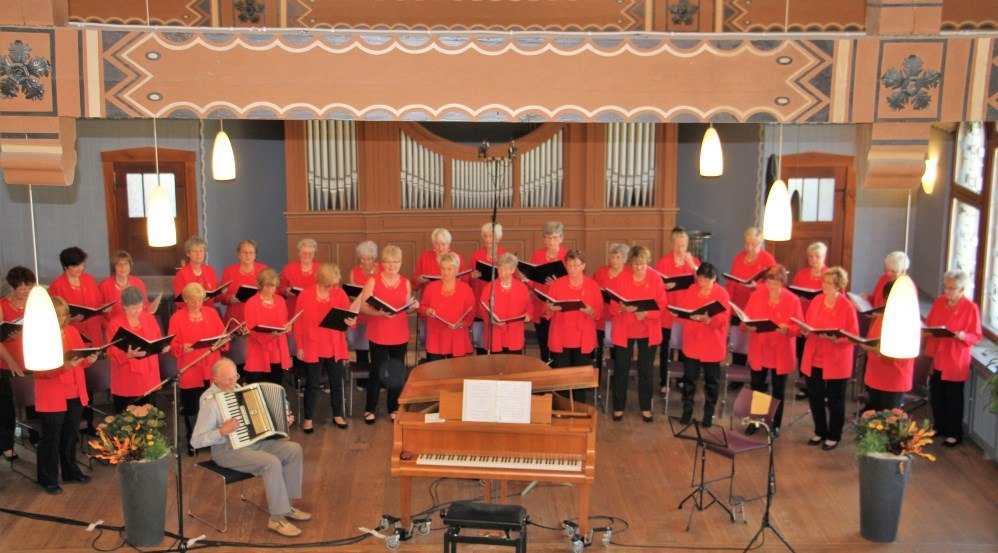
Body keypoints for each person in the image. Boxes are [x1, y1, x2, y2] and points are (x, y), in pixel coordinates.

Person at [191, 358, 311, 537]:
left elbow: (259, 420)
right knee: (271, 463)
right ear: (215, 379)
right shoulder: (210, 402)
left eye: (235, 377)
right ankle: (277, 518)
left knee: (293, 450)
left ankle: (286, 505)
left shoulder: (240, 390)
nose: (234, 382)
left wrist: (282, 421)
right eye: (228, 379)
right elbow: (196, 441)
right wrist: (222, 431)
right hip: (227, 450)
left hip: (255, 442)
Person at [34, 296, 97, 495]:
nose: (61, 319)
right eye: (57, 315)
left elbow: (80, 359)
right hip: (52, 393)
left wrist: (90, 359)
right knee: (51, 438)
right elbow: (38, 371)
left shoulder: (72, 331)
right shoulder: (39, 335)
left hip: (74, 390)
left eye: (64, 315)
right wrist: (63, 367)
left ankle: (70, 471)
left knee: (70, 435)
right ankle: (47, 478)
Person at [799, 267, 858, 451]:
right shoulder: (817, 300)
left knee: (835, 400)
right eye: (823, 282)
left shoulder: (846, 306)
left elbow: (853, 336)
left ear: (839, 286)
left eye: (829, 283)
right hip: (815, 355)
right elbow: (808, 324)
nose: (824, 285)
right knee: (815, 396)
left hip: (836, 359)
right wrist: (805, 330)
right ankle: (820, 430)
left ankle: (834, 435)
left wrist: (837, 339)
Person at [741, 265, 803, 437]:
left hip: (780, 350)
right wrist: (748, 327)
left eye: (775, 284)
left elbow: (799, 327)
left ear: (783, 283)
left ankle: (775, 424)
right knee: (757, 386)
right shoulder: (756, 296)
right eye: (769, 283)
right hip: (760, 347)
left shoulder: (792, 300)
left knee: (778, 389)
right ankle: (755, 421)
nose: (771, 287)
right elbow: (744, 320)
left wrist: (788, 329)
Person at [359, 245, 418, 424]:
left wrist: (412, 308)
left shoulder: (405, 282)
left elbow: (406, 310)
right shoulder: (373, 281)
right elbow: (363, 308)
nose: (393, 265)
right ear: (382, 263)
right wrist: (380, 314)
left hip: (399, 333)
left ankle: (393, 407)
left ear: (401, 263)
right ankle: (370, 408)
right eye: (389, 262)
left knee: (396, 372)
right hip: (378, 333)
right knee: (377, 372)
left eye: (396, 262)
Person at [169, 283, 229, 455]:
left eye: (200, 300)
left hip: (211, 367)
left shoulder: (211, 313)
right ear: (186, 300)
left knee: (213, 406)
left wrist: (223, 341)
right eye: (193, 300)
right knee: (193, 406)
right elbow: (172, 344)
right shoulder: (177, 318)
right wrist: (182, 347)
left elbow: (223, 337)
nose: (197, 303)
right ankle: (193, 440)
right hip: (190, 369)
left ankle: (213, 439)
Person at [924, 270, 982, 447]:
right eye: (945, 287)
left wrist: (963, 336)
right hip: (938, 356)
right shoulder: (940, 302)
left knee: (954, 397)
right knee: (937, 394)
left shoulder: (970, 308)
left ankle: (955, 432)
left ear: (962, 289)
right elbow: (930, 324)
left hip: (955, 359)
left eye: (951, 288)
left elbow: (976, 335)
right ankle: (939, 426)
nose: (947, 292)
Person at [609, 246, 667, 423]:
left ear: (647, 262)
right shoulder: (621, 278)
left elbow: (662, 305)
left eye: (642, 264)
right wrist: (622, 308)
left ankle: (646, 407)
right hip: (624, 329)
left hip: (647, 329)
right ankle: (618, 407)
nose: (639, 268)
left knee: (646, 370)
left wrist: (646, 314)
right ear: (630, 263)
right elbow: (612, 305)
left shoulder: (655, 278)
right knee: (621, 368)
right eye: (635, 264)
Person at [294, 263, 354, 432]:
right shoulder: (305, 295)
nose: (331, 288)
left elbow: (347, 317)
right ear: (319, 280)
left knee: (336, 382)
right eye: (328, 285)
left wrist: (351, 321)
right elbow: (298, 323)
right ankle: (308, 419)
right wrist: (300, 346)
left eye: (333, 285)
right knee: (312, 384)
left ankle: (337, 415)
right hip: (312, 345)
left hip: (334, 344)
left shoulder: (339, 293)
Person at [545, 250, 603, 402]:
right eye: (569, 265)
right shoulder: (557, 284)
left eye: (576, 265)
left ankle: (579, 409)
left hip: (583, 337)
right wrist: (550, 309)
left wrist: (591, 311)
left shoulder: (592, 285)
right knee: (562, 378)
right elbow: (546, 311)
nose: (572, 269)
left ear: (583, 266)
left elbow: (599, 313)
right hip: (561, 335)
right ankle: (563, 409)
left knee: (580, 379)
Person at [677, 263, 731, 427]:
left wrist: (709, 320)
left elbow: (723, 319)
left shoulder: (721, 294)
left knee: (711, 381)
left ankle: (708, 414)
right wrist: (680, 313)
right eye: (700, 279)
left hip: (711, 343)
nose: (702, 283)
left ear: (714, 279)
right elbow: (685, 308)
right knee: (689, 379)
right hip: (693, 341)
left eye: (706, 280)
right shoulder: (692, 289)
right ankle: (687, 410)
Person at [105, 286, 167, 414]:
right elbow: (111, 353)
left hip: (148, 376)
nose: (138, 311)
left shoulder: (150, 318)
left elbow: (156, 340)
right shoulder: (115, 324)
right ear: (124, 306)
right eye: (134, 308)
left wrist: (163, 347)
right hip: (126, 377)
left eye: (140, 306)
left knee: (149, 420)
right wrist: (127, 355)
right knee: (126, 422)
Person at [654, 227, 700, 393]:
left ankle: (682, 378)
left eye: (684, 245)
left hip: (686, 314)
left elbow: (702, 283)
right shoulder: (663, 262)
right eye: (677, 245)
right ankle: (664, 381)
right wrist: (664, 286)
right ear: (672, 244)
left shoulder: (693, 262)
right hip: (668, 312)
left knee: (684, 349)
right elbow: (655, 286)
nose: (681, 249)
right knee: (666, 348)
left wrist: (693, 266)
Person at [858, 280, 914, 412]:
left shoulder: (908, 318)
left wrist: (880, 350)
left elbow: (906, 350)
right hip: (876, 373)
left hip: (894, 376)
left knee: (889, 419)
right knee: (877, 419)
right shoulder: (882, 315)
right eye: (887, 298)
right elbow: (872, 338)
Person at [726, 227, 776, 368]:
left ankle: (757, 375)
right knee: (739, 343)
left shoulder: (768, 260)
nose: (749, 247)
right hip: (739, 307)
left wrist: (757, 287)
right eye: (747, 244)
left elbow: (774, 286)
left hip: (758, 308)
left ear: (761, 244)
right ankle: (737, 376)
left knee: (757, 344)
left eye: (754, 245)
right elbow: (731, 283)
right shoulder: (739, 257)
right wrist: (728, 305)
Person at [420, 253, 476, 361]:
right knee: (435, 373)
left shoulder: (466, 289)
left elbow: (471, 311)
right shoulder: (431, 288)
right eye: (443, 269)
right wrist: (427, 311)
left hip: (457, 335)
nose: (445, 272)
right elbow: (422, 307)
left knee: (457, 374)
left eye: (449, 269)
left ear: (456, 270)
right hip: (436, 337)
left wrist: (463, 323)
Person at [1, 266, 33, 459]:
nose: (26, 291)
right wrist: (11, 362)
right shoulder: (2, 306)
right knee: (6, 407)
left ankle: (36, 438)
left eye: (28, 286)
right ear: (12, 288)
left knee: (35, 403)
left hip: (31, 361)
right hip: (6, 363)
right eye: (22, 287)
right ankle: (6, 444)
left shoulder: (33, 304)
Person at [526, 221, 568, 364]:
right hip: (540, 305)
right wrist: (526, 280)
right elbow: (534, 283)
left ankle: (558, 376)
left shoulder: (567, 256)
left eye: (555, 237)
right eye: (548, 237)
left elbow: (573, 283)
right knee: (544, 345)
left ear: (561, 238)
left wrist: (557, 284)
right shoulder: (538, 256)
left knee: (559, 345)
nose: (551, 241)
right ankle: (546, 375)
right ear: (544, 239)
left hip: (559, 308)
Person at [244, 269, 293, 385]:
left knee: (275, 387)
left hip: (277, 349)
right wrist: (270, 336)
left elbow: (284, 321)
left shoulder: (280, 300)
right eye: (267, 287)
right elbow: (251, 330)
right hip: (259, 351)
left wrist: (287, 327)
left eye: (273, 287)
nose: (270, 290)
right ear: (260, 285)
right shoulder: (252, 303)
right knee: (258, 390)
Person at [48, 246, 106, 345]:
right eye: (75, 266)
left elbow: (98, 302)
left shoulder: (89, 279)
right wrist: (71, 320)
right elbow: (52, 317)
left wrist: (104, 307)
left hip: (94, 330)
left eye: (82, 265)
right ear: (65, 266)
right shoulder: (56, 286)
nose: (81, 268)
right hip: (73, 333)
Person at [479, 253, 532, 354]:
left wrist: (528, 315)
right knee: (497, 366)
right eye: (500, 269)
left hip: (515, 333)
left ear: (513, 270)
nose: (502, 272)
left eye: (506, 269)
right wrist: (491, 320)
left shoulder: (522, 287)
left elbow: (529, 307)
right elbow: (482, 309)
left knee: (514, 366)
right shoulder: (490, 287)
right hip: (496, 332)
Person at [469, 223, 508, 353]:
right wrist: (472, 276)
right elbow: (467, 281)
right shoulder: (475, 255)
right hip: (480, 304)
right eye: (485, 236)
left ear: (499, 237)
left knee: (500, 346)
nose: (488, 239)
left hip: (500, 305)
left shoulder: (505, 256)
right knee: (480, 345)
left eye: (491, 236)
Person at [98, 251, 160, 331]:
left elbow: (145, 305)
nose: (123, 267)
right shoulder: (104, 286)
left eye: (126, 264)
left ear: (130, 266)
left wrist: (150, 309)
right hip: (115, 328)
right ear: (114, 267)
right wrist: (108, 325)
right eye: (119, 264)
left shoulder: (138, 283)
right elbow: (97, 311)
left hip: (137, 327)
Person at [593, 243, 629, 373]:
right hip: (602, 317)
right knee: (597, 352)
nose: (614, 261)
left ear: (625, 259)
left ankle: (616, 379)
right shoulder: (600, 272)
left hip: (619, 319)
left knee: (618, 353)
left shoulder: (629, 274)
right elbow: (593, 292)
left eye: (618, 258)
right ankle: (596, 380)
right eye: (612, 257)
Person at [347, 240, 380, 369]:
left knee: (377, 349)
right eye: (362, 259)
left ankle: (379, 379)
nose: (365, 262)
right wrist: (362, 297)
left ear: (374, 258)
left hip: (377, 314)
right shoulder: (354, 271)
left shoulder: (382, 269)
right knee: (361, 350)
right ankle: (362, 381)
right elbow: (351, 295)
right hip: (361, 314)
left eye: (369, 259)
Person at [220, 239, 268, 326]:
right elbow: (221, 297)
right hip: (236, 320)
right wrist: (230, 298)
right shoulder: (229, 271)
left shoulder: (263, 270)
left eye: (251, 252)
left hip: (259, 317)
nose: (248, 255)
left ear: (255, 255)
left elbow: (272, 292)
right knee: (240, 339)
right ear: (238, 255)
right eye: (244, 252)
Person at [173, 236, 220, 310]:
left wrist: (221, 291)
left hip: (209, 312)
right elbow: (179, 302)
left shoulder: (211, 271)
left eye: (201, 251)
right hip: (190, 313)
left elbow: (216, 298)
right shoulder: (181, 274)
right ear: (188, 254)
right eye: (195, 251)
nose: (199, 254)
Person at [279, 238, 319, 316]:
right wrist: (286, 291)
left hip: (315, 307)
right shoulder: (289, 268)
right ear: (299, 253)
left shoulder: (320, 268)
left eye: (310, 253)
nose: (307, 255)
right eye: (304, 253)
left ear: (314, 254)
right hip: (294, 307)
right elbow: (281, 288)